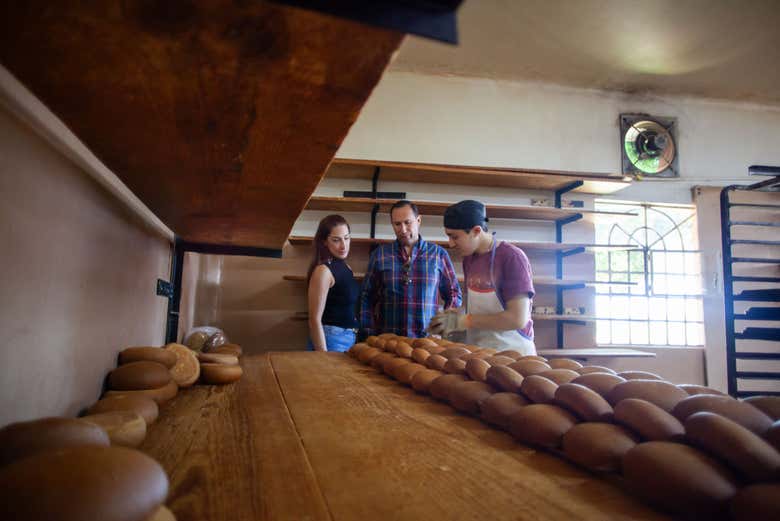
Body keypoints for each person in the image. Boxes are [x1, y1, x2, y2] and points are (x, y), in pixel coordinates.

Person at [428, 200, 536, 354]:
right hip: (481, 352)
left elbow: (518, 319)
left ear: (476, 231)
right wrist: (452, 318)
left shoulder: (512, 258)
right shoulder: (469, 259)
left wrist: (464, 321)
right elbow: (474, 308)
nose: (450, 244)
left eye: (455, 237)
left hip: (513, 353)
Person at [359, 200, 462, 338]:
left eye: (408, 222)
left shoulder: (438, 254)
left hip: (427, 343)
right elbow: (366, 296)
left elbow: (454, 294)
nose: (403, 229)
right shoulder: (380, 255)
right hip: (388, 342)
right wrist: (369, 332)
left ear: (418, 220)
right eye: (397, 224)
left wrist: (443, 328)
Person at [307, 215, 359, 352]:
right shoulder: (323, 271)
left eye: (347, 238)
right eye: (336, 240)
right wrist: (323, 357)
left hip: (349, 337)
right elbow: (314, 319)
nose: (343, 245)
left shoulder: (347, 267)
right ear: (324, 241)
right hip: (331, 339)